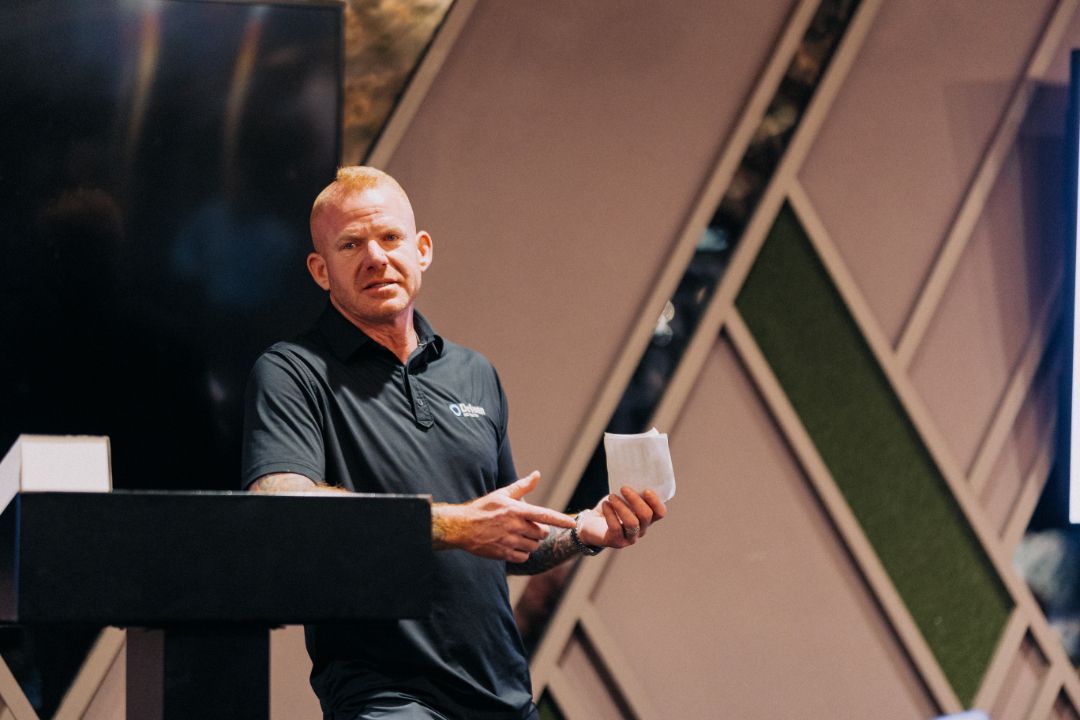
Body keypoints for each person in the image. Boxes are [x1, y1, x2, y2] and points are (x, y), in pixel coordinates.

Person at [242, 166, 667, 720]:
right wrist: (454, 525)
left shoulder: (473, 373)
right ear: (321, 271)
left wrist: (583, 533)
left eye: (390, 237)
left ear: (421, 249)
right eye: (351, 244)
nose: (375, 257)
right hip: (387, 699)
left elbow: (503, 539)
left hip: (503, 694)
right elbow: (281, 504)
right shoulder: (293, 371)